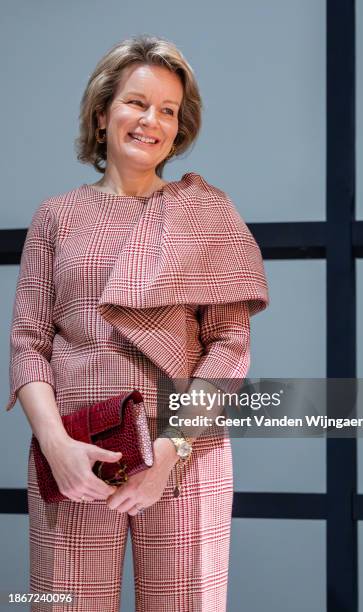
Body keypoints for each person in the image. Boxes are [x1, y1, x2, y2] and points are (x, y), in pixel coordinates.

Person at [6, 34, 269, 611]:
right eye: (136, 102)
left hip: (185, 456)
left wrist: (168, 453)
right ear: (102, 115)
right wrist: (56, 446)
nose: (152, 120)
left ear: (180, 127)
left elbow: (228, 346)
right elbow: (28, 342)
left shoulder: (207, 213)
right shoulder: (55, 217)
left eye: (169, 110)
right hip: (75, 452)